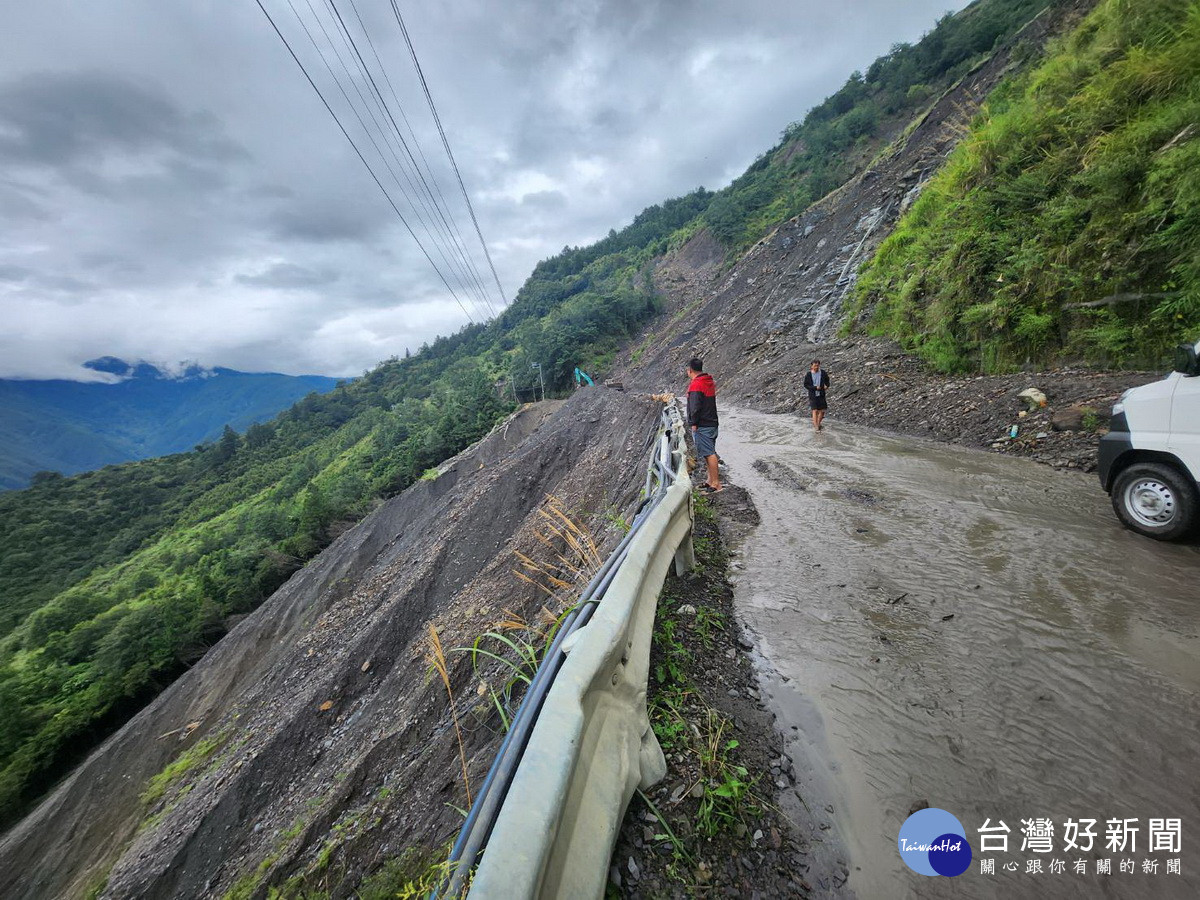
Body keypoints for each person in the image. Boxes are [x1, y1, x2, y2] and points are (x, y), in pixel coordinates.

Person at [686, 357, 722, 492]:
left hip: (703, 424)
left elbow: (695, 406)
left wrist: (693, 423)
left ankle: (716, 484)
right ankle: (710, 480)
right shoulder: (708, 381)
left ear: (689, 370)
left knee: (709, 453)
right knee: (708, 452)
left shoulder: (696, 384)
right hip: (712, 422)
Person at [804, 359, 830, 431]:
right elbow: (806, 385)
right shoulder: (808, 374)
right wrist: (815, 387)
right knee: (814, 410)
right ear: (811, 366)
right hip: (812, 394)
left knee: (822, 410)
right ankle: (816, 427)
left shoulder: (823, 373)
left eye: (817, 366)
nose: (816, 367)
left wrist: (827, 386)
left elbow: (827, 380)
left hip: (821, 393)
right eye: (815, 366)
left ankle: (818, 423)